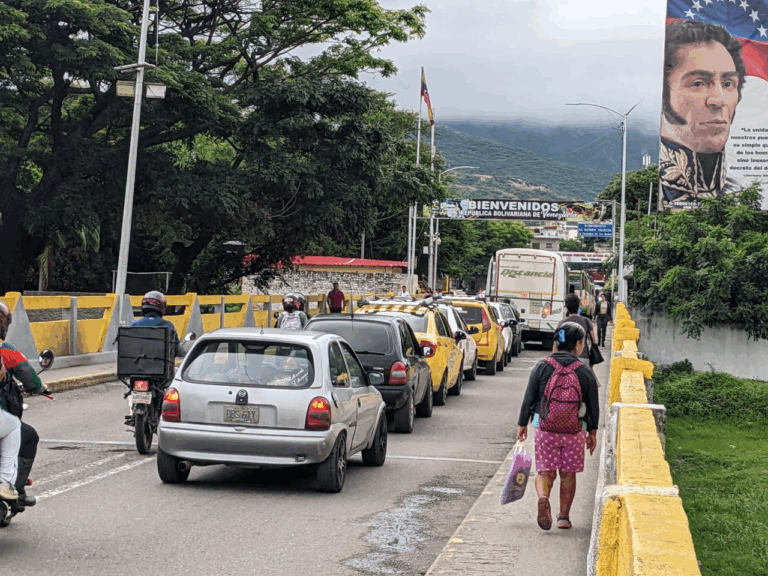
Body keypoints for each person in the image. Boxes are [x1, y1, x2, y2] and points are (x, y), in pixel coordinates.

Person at [516, 322, 599, 531]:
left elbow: (529, 397)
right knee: (568, 474)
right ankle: (563, 517)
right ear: (579, 345)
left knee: (544, 471)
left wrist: (522, 424)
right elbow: (593, 405)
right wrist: (593, 432)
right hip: (574, 431)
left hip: (545, 428)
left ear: (555, 344)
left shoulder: (542, 366)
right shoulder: (585, 371)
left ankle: (543, 497)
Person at [660, 20, 745, 206]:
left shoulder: (741, 195)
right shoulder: (656, 191)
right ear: (663, 93)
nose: (718, 100)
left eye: (728, 83)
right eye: (698, 83)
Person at [0, 301, 49, 504]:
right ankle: (14, 488)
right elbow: (28, 375)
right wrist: (40, 388)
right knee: (28, 437)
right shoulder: (6, 350)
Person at [131, 291, 187, 358]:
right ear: (162, 307)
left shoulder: (134, 326)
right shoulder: (168, 326)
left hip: (137, 366)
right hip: (161, 367)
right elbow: (180, 352)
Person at [556, 294, 597, 367]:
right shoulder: (586, 321)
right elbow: (593, 339)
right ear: (579, 305)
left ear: (566, 306)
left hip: (566, 359)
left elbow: (559, 342)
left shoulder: (562, 323)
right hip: (583, 358)